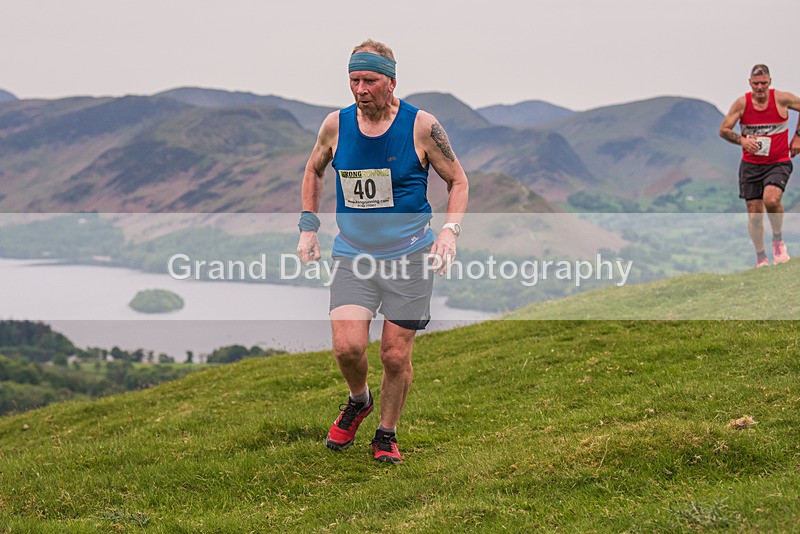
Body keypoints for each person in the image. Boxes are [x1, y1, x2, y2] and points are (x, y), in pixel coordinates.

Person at [296, 39, 469, 464]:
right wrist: (308, 227)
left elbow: (459, 181)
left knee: (394, 353)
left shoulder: (421, 126)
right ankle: (359, 399)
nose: (360, 89)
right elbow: (314, 170)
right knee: (348, 348)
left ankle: (386, 433)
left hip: (410, 256)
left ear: (390, 82)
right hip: (354, 254)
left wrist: (449, 231)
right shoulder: (335, 126)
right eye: (354, 80)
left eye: (369, 80)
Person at [719, 64, 800, 268]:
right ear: (750, 83)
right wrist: (742, 141)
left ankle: (778, 242)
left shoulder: (781, 99)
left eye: (764, 83)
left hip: (778, 162)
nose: (760, 87)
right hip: (751, 165)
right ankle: (761, 258)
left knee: (771, 200)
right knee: (755, 214)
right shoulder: (742, 104)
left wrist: (798, 137)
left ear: (770, 82)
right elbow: (724, 130)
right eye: (756, 84)